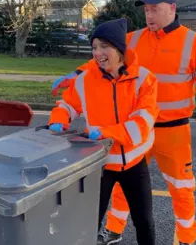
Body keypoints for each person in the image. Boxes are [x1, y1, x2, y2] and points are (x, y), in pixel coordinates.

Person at [50, 0, 196, 245]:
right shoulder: (133, 39)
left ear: (172, 9)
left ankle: (187, 237)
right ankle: (114, 229)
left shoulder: (192, 42)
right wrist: (76, 74)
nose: (149, 15)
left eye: (155, 9)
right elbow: (106, 55)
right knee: (124, 182)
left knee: (181, 186)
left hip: (172, 130)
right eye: (146, 10)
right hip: (133, 128)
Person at [48, 18, 159, 245]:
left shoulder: (145, 79)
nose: (97, 53)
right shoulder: (85, 80)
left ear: (119, 49)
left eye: (104, 46)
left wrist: (105, 132)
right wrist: (59, 119)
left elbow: (141, 126)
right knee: (88, 223)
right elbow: (68, 105)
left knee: (145, 223)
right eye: (94, 47)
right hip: (99, 163)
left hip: (134, 163)